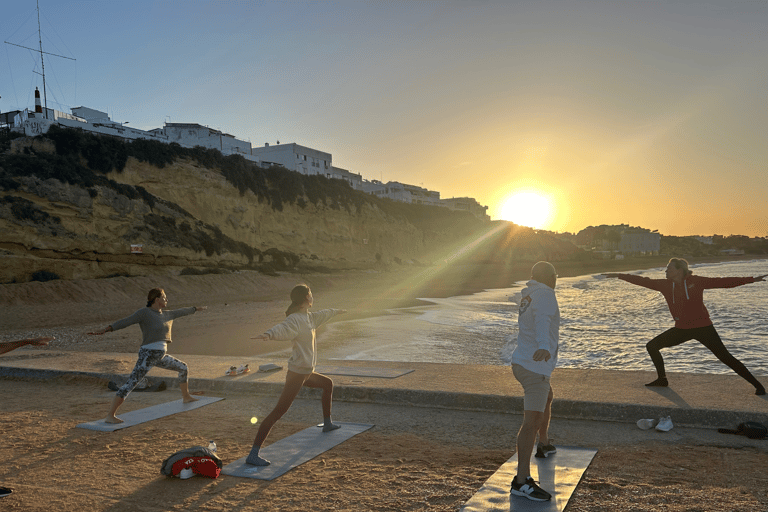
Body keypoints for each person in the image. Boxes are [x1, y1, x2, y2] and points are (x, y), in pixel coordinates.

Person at [604, 258, 766, 395]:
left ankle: (758, 386)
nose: (665, 271)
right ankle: (662, 379)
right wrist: (619, 275)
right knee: (652, 346)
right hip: (681, 329)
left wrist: (751, 279)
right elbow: (643, 281)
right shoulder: (665, 285)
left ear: (679, 270)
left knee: (726, 358)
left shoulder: (696, 282)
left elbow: (722, 282)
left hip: (703, 328)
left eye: (668, 268)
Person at [246, 284, 346, 466]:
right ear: (304, 300)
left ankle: (327, 423)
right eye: (310, 294)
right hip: (297, 375)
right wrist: (268, 334)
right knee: (278, 412)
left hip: (307, 373)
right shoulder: (295, 320)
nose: (312, 297)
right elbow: (282, 328)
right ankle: (253, 454)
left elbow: (322, 314)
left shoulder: (309, 317)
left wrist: (336, 311)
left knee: (328, 384)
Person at [88, 288, 208, 423]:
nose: (167, 300)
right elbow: (126, 321)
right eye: (165, 297)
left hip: (159, 356)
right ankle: (110, 415)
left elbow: (182, 311)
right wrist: (106, 329)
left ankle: (186, 396)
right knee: (131, 383)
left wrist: (196, 309)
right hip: (148, 355)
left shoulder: (167, 314)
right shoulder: (144, 313)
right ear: (157, 299)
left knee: (183, 368)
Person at [509, 261, 560, 502]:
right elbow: (542, 321)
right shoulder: (546, 294)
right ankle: (521, 481)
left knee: (547, 397)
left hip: (522, 361)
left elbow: (530, 323)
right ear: (551, 277)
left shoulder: (529, 295)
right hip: (535, 366)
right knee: (531, 421)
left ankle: (544, 443)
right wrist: (543, 347)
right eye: (555, 276)